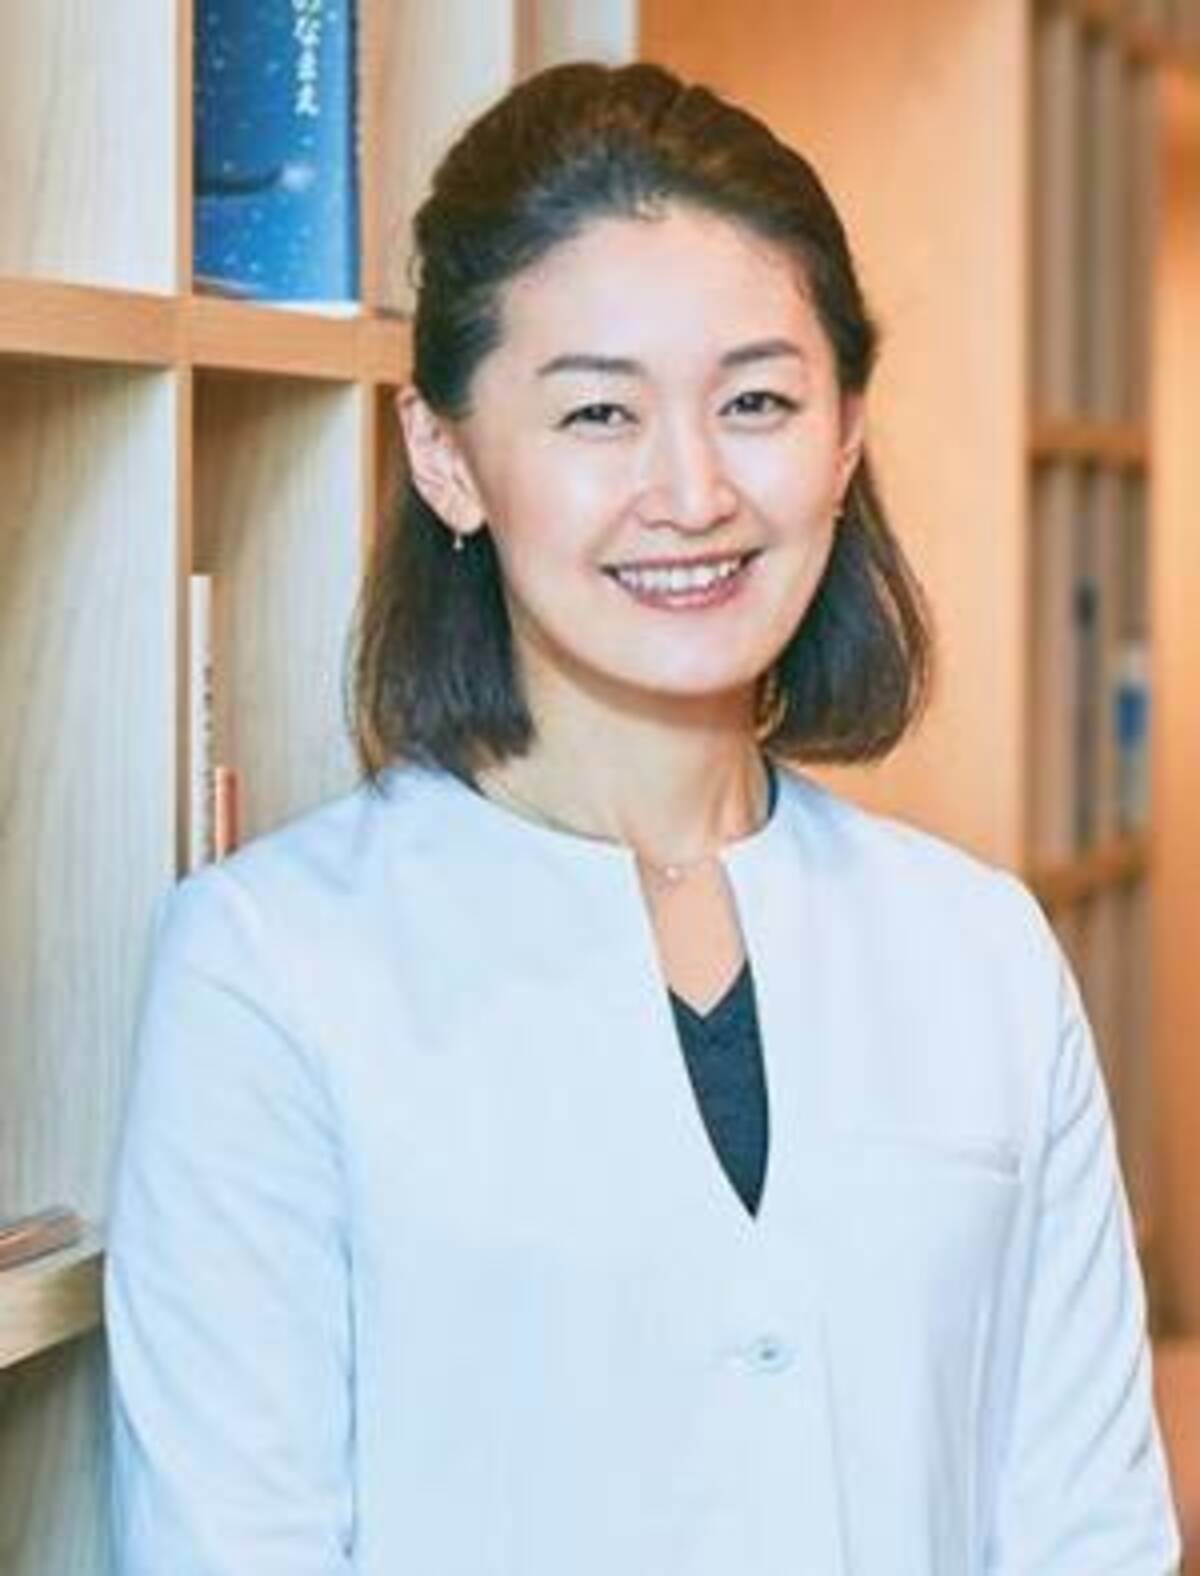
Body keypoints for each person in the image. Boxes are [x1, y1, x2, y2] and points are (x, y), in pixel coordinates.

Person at [104, 59, 1182, 1574]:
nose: (691, 491)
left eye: (756, 402)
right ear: (446, 457)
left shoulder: (981, 952)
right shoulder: (268, 968)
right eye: (600, 411)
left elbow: (1090, 1532)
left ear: (845, 437)